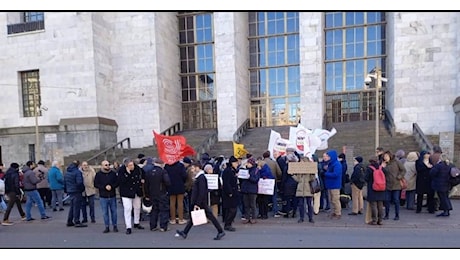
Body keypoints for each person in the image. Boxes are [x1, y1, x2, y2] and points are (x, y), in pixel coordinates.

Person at [176, 161, 225, 240]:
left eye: (193, 168)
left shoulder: (201, 177)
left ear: (197, 167)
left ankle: (220, 231)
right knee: (196, 217)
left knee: (210, 216)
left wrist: (197, 203)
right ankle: (185, 232)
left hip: (201, 201)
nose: (192, 170)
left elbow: (202, 192)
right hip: (201, 201)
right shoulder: (199, 177)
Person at [118, 158, 145, 234]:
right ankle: (128, 226)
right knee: (128, 208)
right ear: (126, 166)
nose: (132, 166)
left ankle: (136, 222)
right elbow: (121, 181)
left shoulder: (137, 168)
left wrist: (142, 179)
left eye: (132, 164)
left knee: (137, 207)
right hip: (126, 193)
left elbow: (143, 174)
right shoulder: (122, 171)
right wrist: (128, 173)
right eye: (130, 165)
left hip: (136, 191)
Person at [143, 157, 171, 232]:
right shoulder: (163, 171)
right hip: (162, 193)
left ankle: (153, 226)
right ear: (161, 164)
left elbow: (146, 185)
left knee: (154, 210)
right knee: (164, 210)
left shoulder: (149, 172)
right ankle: (163, 226)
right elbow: (167, 182)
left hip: (152, 194)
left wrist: (147, 195)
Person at [94, 160, 119, 233]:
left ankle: (115, 225)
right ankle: (107, 226)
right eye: (106, 165)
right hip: (103, 196)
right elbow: (96, 184)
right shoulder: (98, 174)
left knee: (114, 212)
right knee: (105, 213)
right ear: (102, 166)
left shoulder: (113, 174)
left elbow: (117, 182)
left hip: (112, 195)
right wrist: (104, 187)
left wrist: (112, 186)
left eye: (108, 164)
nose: (107, 166)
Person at [381, 150, 406, 221]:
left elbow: (403, 170)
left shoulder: (396, 162)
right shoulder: (384, 163)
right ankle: (386, 215)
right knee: (387, 200)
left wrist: (399, 176)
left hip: (396, 184)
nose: (385, 158)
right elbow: (381, 173)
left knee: (396, 200)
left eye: (386, 156)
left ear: (390, 156)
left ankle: (397, 215)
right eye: (384, 156)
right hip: (387, 184)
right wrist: (382, 167)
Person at [291, 156, 316, 223]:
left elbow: (312, 179)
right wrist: (293, 175)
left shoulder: (309, 169)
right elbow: (298, 180)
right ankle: (301, 218)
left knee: (309, 204)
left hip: (308, 188)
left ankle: (310, 218)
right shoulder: (299, 170)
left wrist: (312, 174)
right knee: (301, 204)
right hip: (300, 189)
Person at [364, 156, 387, 225]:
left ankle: (374, 220)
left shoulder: (369, 169)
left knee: (373, 205)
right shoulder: (381, 168)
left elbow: (366, 178)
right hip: (381, 188)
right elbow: (386, 175)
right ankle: (380, 220)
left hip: (372, 188)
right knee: (380, 205)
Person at [164, 159, 188, 225]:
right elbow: (184, 175)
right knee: (180, 203)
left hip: (170, 186)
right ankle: (180, 219)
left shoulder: (167, 165)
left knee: (172, 203)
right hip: (180, 185)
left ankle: (173, 219)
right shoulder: (180, 165)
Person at [64, 161, 86, 227]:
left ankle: (69, 221)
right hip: (76, 191)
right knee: (77, 207)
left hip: (70, 190)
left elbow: (64, 182)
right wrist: (82, 189)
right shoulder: (77, 172)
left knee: (72, 206)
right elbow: (79, 183)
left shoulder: (67, 172)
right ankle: (77, 221)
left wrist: (66, 190)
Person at [221, 155, 239, 232]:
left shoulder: (232, 170)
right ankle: (228, 224)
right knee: (232, 209)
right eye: (236, 163)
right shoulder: (228, 171)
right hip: (230, 192)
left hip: (233, 191)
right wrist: (230, 192)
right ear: (232, 163)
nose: (237, 164)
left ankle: (228, 223)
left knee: (231, 209)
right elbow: (227, 183)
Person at [323, 150, 342, 219]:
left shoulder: (337, 164)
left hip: (335, 185)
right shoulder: (330, 164)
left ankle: (338, 213)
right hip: (330, 184)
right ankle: (334, 212)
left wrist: (326, 174)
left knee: (335, 199)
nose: (326, 157)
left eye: (327, 156)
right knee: (331, 200)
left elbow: (336, 174)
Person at [262, 151, 282, 217]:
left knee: (264, 197)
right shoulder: (274, 162)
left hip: (263, 181)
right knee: (274, 196)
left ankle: (264, 211)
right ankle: (275, 211)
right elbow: (279, 172)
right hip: (272, 180)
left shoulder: (261, 163)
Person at [239, 157, 260, 224]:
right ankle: (247, 217)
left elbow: (256, 179)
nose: (247, 164)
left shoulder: (256, 170)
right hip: (245, 189)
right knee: (246, 205)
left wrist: (249, 177)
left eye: (248, 163)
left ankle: (253, 217)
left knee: (252, 205)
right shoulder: (245, 170)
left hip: (252, 190)